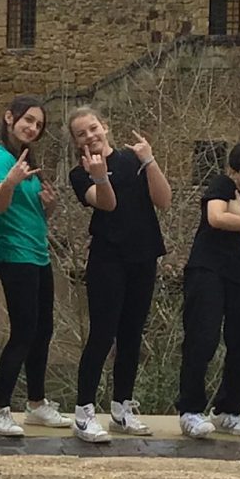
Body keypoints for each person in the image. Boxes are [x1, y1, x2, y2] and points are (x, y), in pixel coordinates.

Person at [65, 107, 172, 445]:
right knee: (102, 335)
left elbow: (164, 200)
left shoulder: (132, 159)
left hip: (143, 255)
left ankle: (122, 408)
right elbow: (107, 204)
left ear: (105, 127)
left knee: (132, 335)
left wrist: (149, 160)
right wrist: (99, 176)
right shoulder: (79, 173)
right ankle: (84, 412)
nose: (90, 136)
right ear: (76, 142)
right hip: (107, 260)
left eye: (93, 128)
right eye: (81, 134)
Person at [175, 140, 240, 438]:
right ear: (233, 172)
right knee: (202, 338)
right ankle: (190, 410)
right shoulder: (222, 186)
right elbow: (216, 218)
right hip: (207, 271)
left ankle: (228, 410)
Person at [0, 96, 67, 438]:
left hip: (38, 253)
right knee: (23, 332)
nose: (33, 128)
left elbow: (32, 214)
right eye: (28, 120)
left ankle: (36, 403)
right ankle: (0, 410)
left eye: (38, 125)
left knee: (43, 330)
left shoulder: (26, 158)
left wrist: (49, 206)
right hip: (14, 254)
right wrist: (10, 182)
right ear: (9, 118)